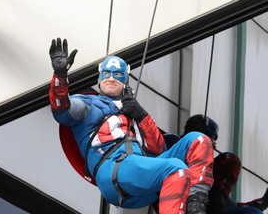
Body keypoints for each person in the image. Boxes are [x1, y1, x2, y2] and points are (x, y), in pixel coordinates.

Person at [48, 38, 214, 214]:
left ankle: (195, 207)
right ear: (99, 77)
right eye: (106, 73)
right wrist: (60, 76)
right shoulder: (88, 104)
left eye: (117, 74)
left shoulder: (132, 109)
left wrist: (141, 115)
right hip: (112, 171)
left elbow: (158, 149)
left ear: (125, 79)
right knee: (176, 169)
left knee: (199, 140)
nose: (111, 78)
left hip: (140, 174)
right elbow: (62, 110)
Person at [156, 114, 268, 214]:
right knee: (230, 161)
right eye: (211, 144)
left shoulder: (207, 181)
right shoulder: (171, 142)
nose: (212, 150)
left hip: (201, 204)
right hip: (179, 204)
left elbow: (236, 206)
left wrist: (263, 202)